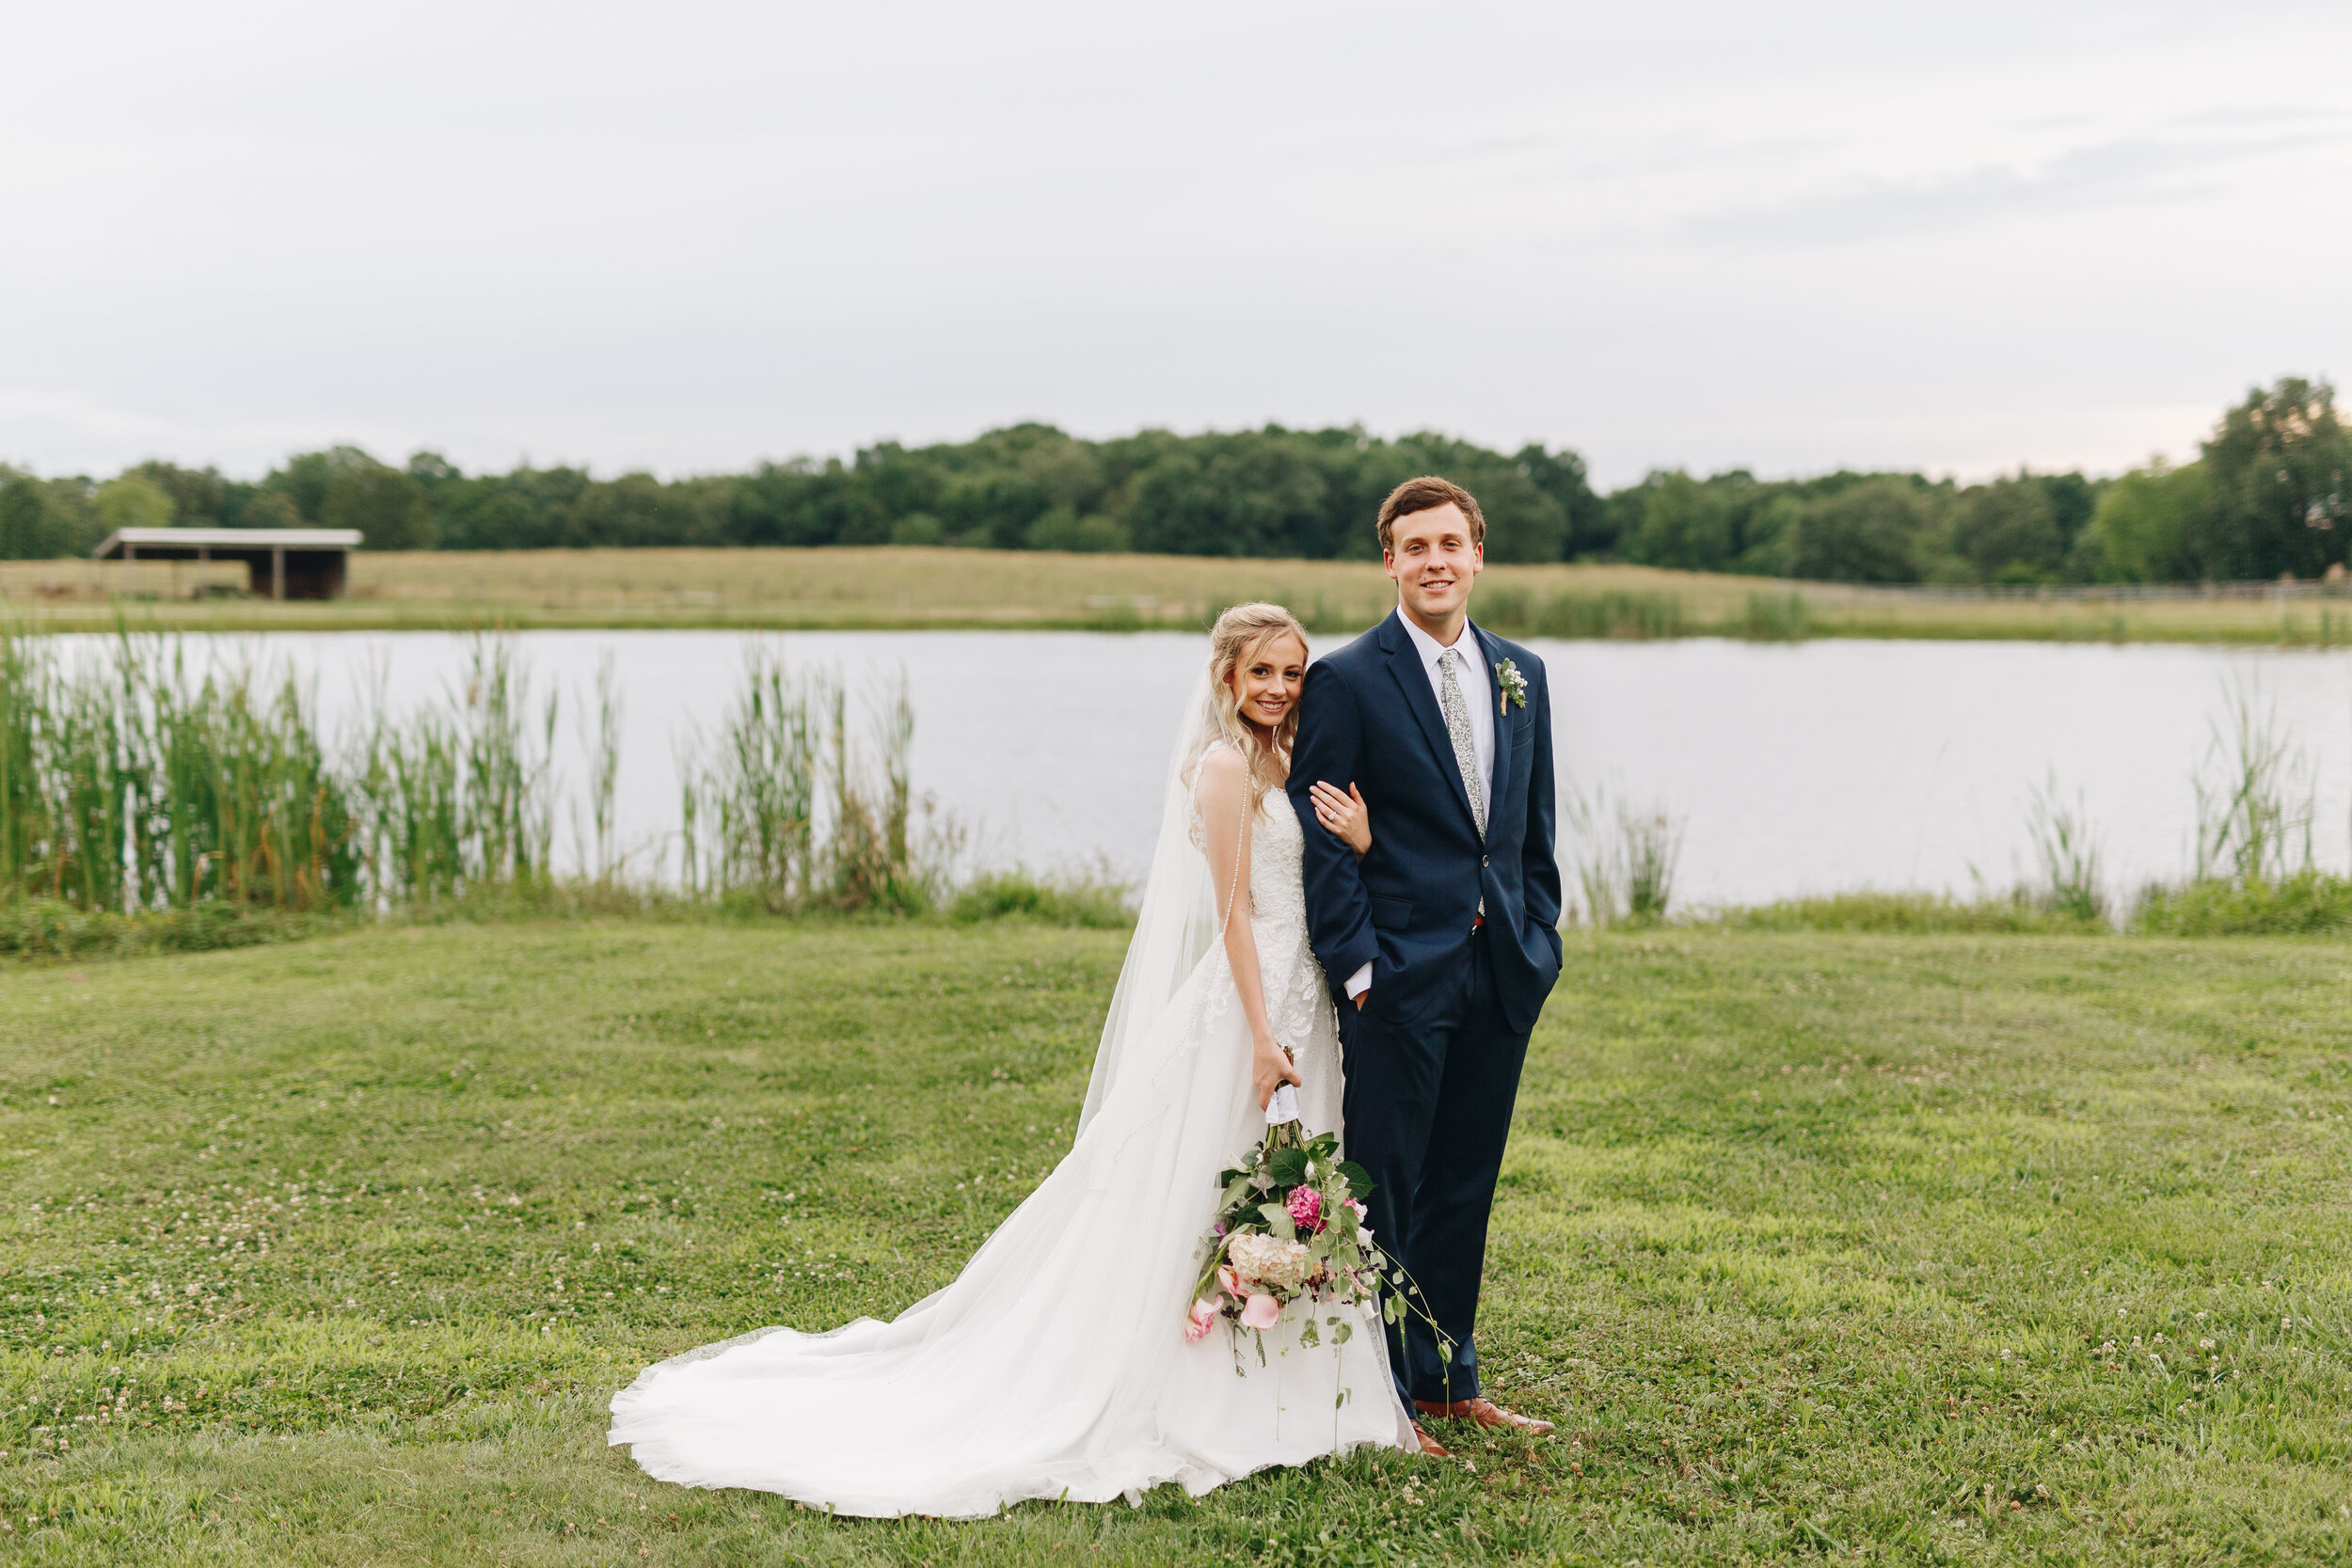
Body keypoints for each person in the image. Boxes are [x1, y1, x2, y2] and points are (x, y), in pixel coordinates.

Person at [608, 603, 1415, 1517]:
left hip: (1309, 992)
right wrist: (1262, 1034)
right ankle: (1191, 1376)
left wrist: (1360, 842)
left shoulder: (1293, 756)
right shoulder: (1227, 768)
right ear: (1225, 676)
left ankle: (1297, 1380)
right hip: (1253, 1001)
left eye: (1292, 671)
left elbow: (1330, 875)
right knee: (1210, 1174)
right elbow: (1231, 911)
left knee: (1296, 1173)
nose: (1277, 688)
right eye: (1260, 671)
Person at [1288, 475, 1563, 1454]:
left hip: (1501, 973)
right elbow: (1322, 838)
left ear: (1477, 554)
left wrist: (1540, 943)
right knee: (1388, 1187)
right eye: (1416, 547)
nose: (1436, 560)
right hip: (1398, 977)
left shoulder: (1520, 671)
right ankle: (1382, 1398)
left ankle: (1452, 1382)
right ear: (1390, 562)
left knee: (1464, 1180)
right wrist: (1359, 967)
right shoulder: (1349, 678)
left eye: (1452, 543)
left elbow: (1529, 835)